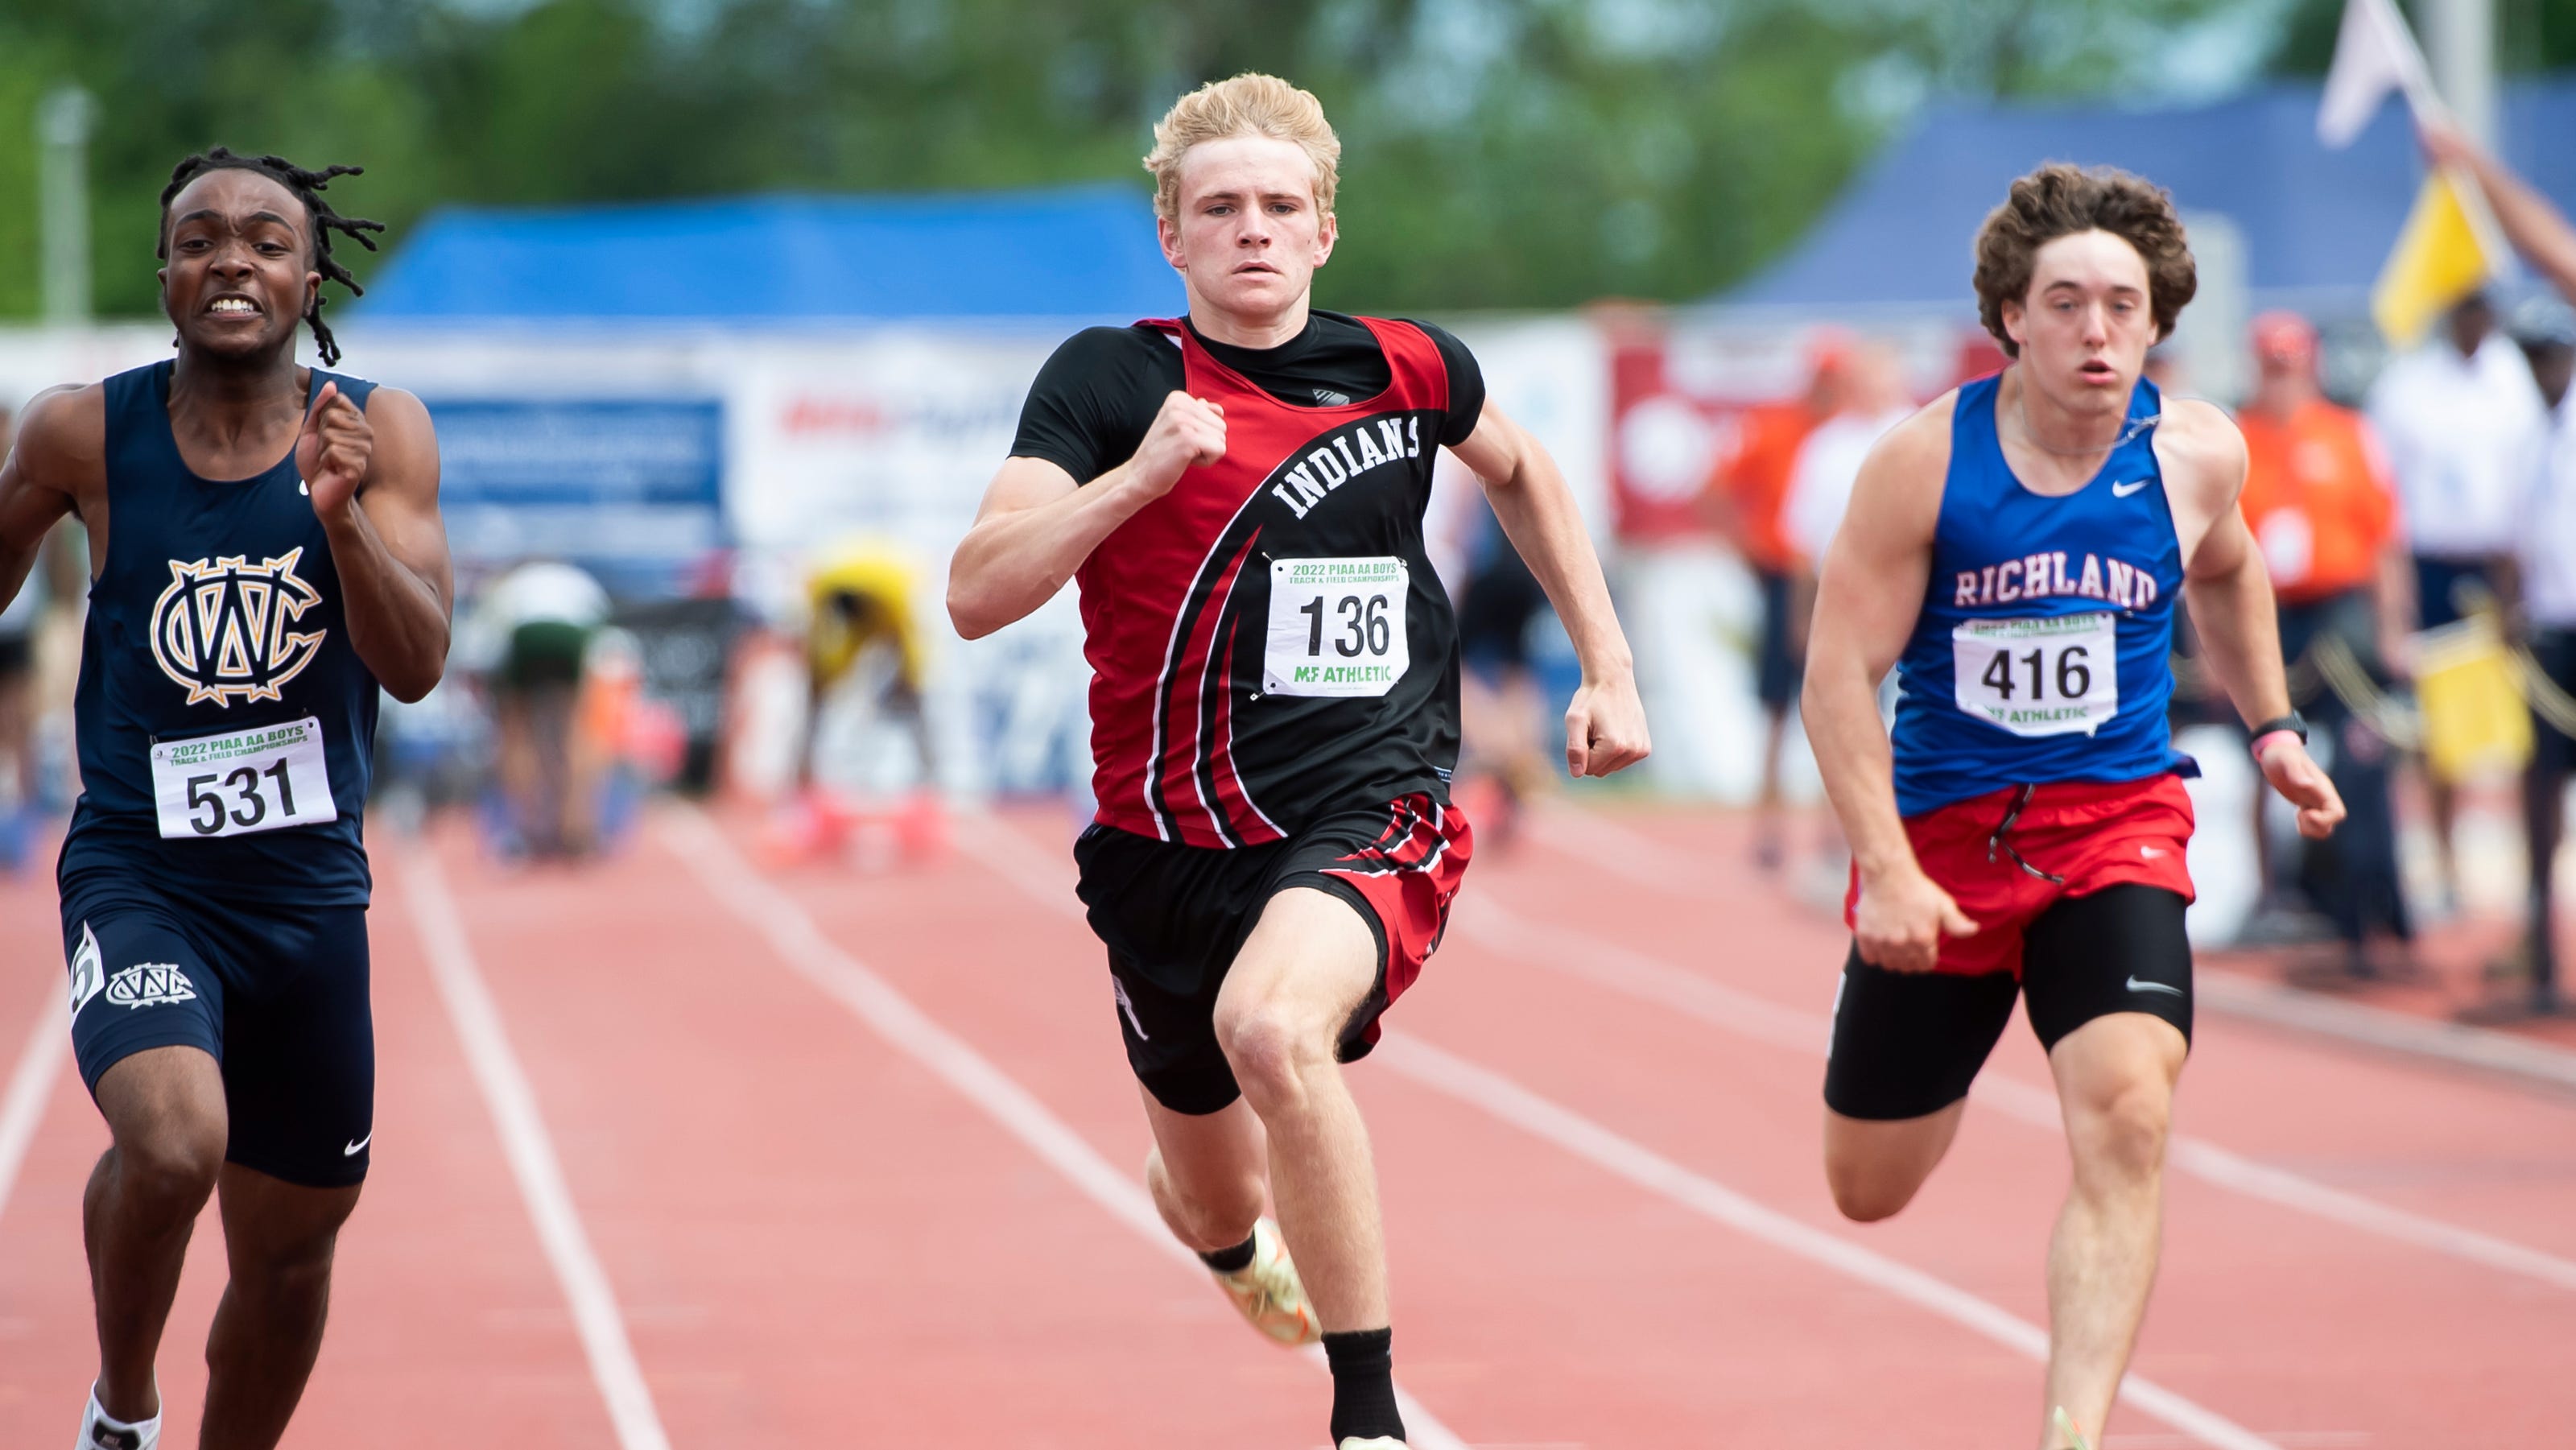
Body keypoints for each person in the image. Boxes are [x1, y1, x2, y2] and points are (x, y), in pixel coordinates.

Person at [947, 74, 1648, 1450]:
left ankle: (1367, 1417)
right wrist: (1137, 478)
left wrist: (1609, 664)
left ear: (1326, 227)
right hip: (1162, 850)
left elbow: (1525, 471)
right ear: (1174, 233)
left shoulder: (1409, 368)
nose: (1252, 230)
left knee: (1272, 1028)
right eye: (1221, 208)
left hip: (1362, 802)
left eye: (1280, 206)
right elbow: (977, 589)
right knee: (1213, 1197)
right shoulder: (1110, 381)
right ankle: (1223, 1241)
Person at [1800, 164, 2343, 1450]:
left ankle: (2072, 1434)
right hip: (1943, 846)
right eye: (2066, 303)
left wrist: (2272, 726)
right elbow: (1837, 676)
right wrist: (1883, 863)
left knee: (2131, 1112)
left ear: (2157, 324)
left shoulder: (2198, 452)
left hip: (2116, 824)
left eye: (2123, 304)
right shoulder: (1924, 462)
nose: (2096, 329)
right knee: (1866, 1189)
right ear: (2011, 317)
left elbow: (2232, 569)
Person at [0, 148, 450, 1450]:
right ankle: (121, 1408)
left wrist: (343, 517)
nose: (231, 261)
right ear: (164, 272)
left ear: (309, 277)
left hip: (308, 899)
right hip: (143, 874)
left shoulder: (385, 429)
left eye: (264, 240)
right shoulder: (82, 431)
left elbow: (415, 667)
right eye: (201, 238)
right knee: (176, 1144)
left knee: (292, 1253)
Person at [2420, 121, 2576, 1012]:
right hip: (2550, 626)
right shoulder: (2535, 424)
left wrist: (2472, 166)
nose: (2539, 365)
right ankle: (2540, 958)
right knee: (2535, 789)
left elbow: (2548, 244)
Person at [2233, 311, 2413, 969]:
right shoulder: (2240, 439)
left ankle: (2368, 899)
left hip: (2340, 612)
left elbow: (2387, 539)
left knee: (2362, 752)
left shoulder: (2348, 435)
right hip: (2272, 613)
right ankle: (2276, 893)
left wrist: (2393, 630)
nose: (2282, 380)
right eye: (2271, 367)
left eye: (2292, 366)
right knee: (2263, 744)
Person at [2367, 279, 2547, 902]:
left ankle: (2531, 876)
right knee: (2439, 728)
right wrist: (2395, 600)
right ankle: (2444, 869)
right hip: (2433, 568)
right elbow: (2383, 496)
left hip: (2510, 569)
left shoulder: (2519, 383)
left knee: (2527, 726)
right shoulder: (2408, 387)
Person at [1710, 337, 1846, 867]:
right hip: (1784, 573)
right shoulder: (1775, 428)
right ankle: (1770, 825)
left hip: (1834, 577)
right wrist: (1750, 549)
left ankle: (1832, 826)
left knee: (1835, 700)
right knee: (1776, 705)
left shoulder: (1842, 437)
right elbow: (1715, 489)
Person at [462, 559, 611, 859]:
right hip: (573, 636)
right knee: (576, 731)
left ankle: (524, 829)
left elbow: (482, 647)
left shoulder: (509, 585)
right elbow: (604, 639)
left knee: (518, 734)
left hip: (526, 633)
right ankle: (578, 830)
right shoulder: (579, 579)